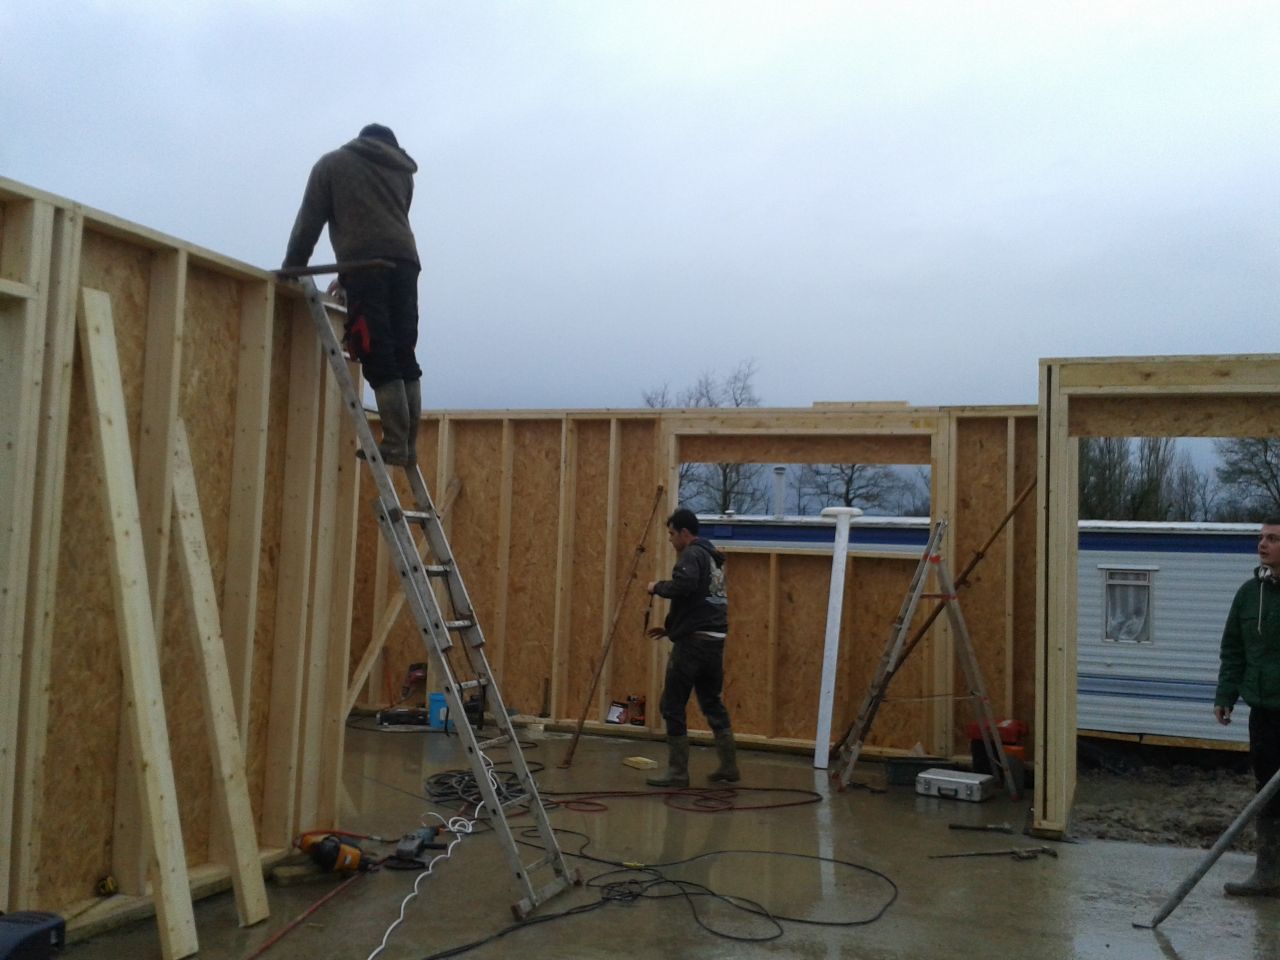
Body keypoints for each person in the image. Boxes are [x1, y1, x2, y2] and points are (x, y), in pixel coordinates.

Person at [282, 123, 422, 466]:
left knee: (377, 349)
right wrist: (346, 278)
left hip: (367, 264)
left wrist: (293, 267)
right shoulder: (403, 172)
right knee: (404, 351)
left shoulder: (332, 165)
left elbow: (309, 222)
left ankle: (394, 442)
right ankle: (407, 445)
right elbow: (387, 220)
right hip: (405, 264)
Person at [644, 508, 738, 787]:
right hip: (714, 641)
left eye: (672, 534)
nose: (671, 540)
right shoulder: (713, 558)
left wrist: (655, 587)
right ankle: (729, 767)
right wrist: (672, 629)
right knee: (711, 702)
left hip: (694, 644)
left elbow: (683, 586)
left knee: (671, 704)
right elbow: (700, 600)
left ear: (685, 533)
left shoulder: (692, 555)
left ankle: (677, 772)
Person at [1214, 516, 1280, 897]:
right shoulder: (1248, 594)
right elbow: (1234, 649)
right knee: (1266, 792)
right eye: (1261, 538)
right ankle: (1268, 874)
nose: (1263, 544)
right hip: (1264, 712)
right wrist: (1226, 695)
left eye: (1273, 538)